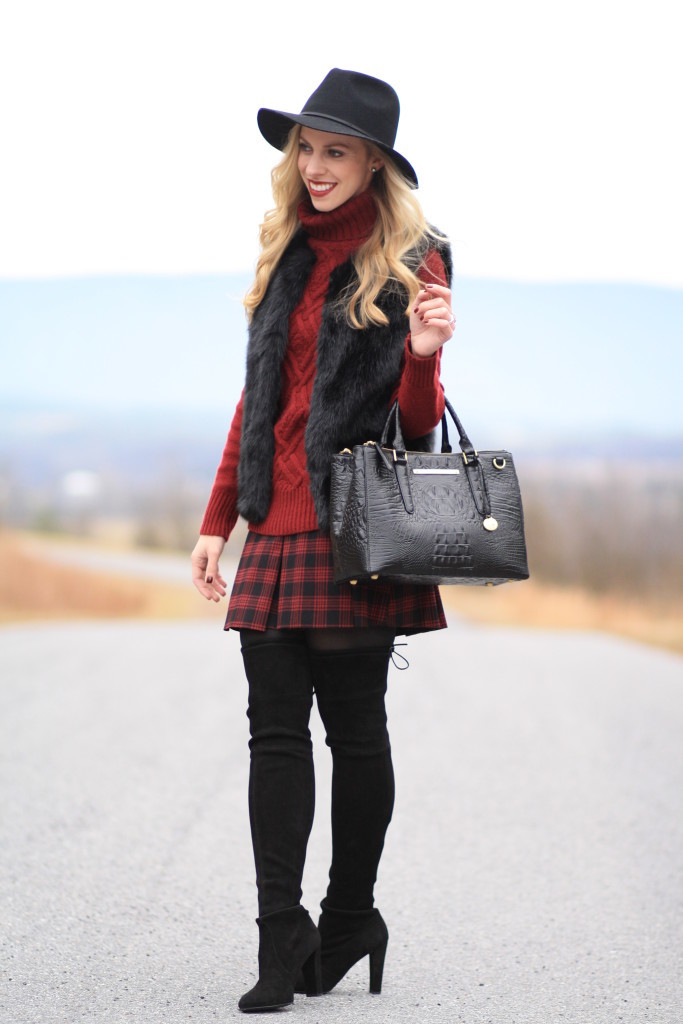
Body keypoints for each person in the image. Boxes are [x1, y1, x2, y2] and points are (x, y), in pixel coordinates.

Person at [191, 68, 455, 1013]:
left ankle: (350, 917)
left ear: (373, 160)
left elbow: (416, 426)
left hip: (357, 524)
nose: (312, 167)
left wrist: (425, 359)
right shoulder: (287, 248)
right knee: (272, 736)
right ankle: (280, 936)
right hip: (279, 522)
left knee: (354, 732)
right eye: (305, 148)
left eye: (333, 150)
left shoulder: (417, 257)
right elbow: (255, 403)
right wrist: (218, 520)